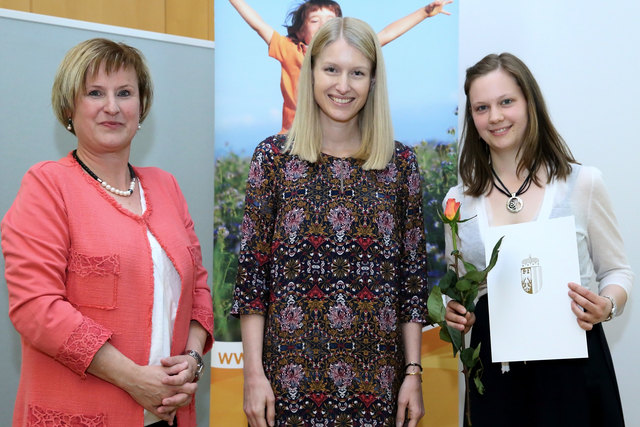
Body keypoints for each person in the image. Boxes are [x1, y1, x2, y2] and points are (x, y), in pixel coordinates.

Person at [1, 38, 214, 427]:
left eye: (125, 93)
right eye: (95, 93)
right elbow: (36, 308)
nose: (112, 107)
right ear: (70, 107)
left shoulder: (167, 186)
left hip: (169, 416)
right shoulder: (47, 186)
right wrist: (134, 379)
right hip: (78, 415)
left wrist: (194, 359)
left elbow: (198, 289)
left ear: (141, 106)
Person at [231, 17, 429, 427]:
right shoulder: (272, 160)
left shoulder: (401, 164)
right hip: (287, 384)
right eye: (332, 70)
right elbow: (253, 278)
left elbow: (412, 281)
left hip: (380, 383)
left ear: (373, 80)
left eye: (357, 72)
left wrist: (413, 374)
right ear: (311, 73)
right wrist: (253, 375)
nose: (343, 85)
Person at [444, 52, 633, 427]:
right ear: (472, 118)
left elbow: (618, 271)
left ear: (530, 103)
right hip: (495, 381)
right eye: (482, 107)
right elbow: (457, 292)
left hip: (575, 373)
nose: (495, 116)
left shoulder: (582, 183)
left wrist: (606, 306)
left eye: (506, 102)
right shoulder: (457, 200)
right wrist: (453, 312)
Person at [229, 0, 453, 134]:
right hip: (294, 138)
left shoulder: (349, 50)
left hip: (335, 140)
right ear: (299, 32)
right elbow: (258, 25)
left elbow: (384, 35)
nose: (324, 25)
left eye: (330, 20)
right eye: (315, 21)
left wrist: (424, 13)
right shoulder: (290, 50)